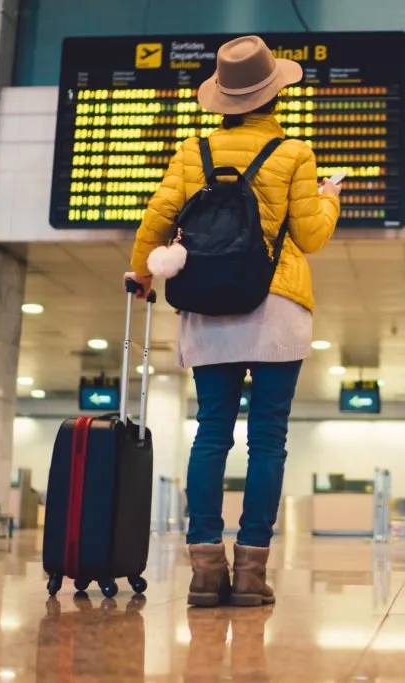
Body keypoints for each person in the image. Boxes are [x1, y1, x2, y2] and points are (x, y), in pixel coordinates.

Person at [125, 35, 340, 607]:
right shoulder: (294, 153)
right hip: (276, 306)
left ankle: (203, 571)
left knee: (212, 433)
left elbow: (159, 214)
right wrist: (330, 197)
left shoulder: (192, 151)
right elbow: (311, 236)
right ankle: (250, 573)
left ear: (222, 100)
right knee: (268, 439)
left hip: (209, 304)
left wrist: (141, 274)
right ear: (275, 95)